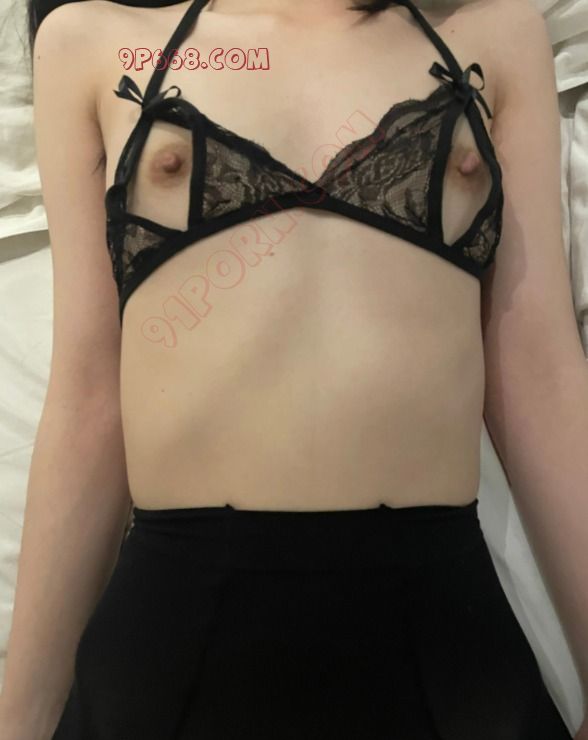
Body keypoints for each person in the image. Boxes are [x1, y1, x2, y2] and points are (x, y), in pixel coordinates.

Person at [1, 0, 587, 737]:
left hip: (445, 629)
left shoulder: (491, 32)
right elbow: (89, 394)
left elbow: (539, 370)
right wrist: (19, 717)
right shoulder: (95, 41)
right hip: (172, 627)